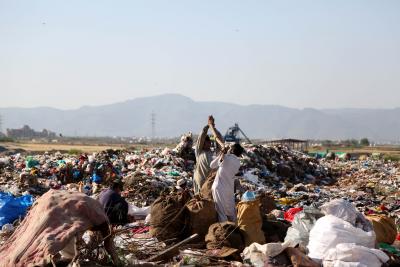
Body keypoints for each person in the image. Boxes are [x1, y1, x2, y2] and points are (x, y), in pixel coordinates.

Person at [211, 143, 244, 223]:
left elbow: (212, 165)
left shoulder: (226, 157)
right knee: (231, 212)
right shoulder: (237, 162)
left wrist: (222, 153)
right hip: (229, 189)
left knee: (221, 212)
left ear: (231, 150)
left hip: (219, 188)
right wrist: (224, 153)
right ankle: (235, 229)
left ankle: (225, 231)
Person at [193, 116, 223, 194]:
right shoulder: (199, 152)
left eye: (209, 141)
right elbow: (201, 137)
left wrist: (213, 128)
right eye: (206, 142)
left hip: (211, 183)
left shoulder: (214, 152)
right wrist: (208, 126)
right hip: (200, 181)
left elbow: (220, 142)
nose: (208, 143)